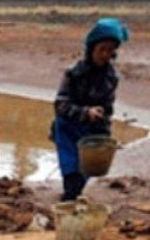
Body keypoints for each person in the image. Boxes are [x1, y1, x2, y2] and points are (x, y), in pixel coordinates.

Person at [52, 18, 129, 202]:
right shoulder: (73, 73)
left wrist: (106, 136)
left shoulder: (111, 78)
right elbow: (60, 104)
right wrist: (85, 112)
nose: (105, 54)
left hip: (91, 130)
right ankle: (69, 198)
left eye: (110, 51)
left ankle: (71, 197)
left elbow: (108, 109)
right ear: (91, 48)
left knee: (87, 169)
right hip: (68, 127)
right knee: (71, 168)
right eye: (102, 49)